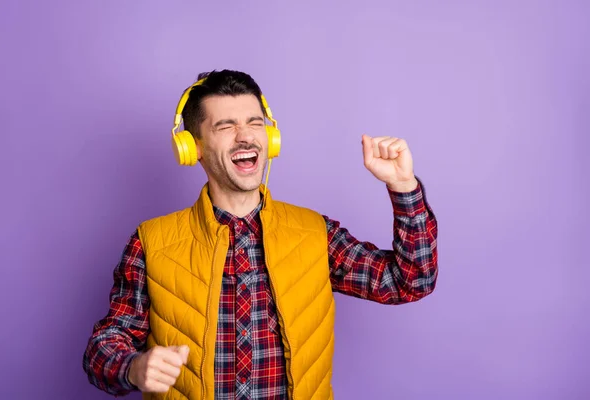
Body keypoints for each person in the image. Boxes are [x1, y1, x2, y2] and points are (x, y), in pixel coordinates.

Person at [82, 69, 438, 400]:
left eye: (255, 122)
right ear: (193, 148)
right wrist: (133, 367)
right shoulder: (152, 242)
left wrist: (403, 187)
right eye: (225, 125)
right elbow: (103, 347)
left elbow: (409, 281)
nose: (246, 135)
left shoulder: (315, 233)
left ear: (271, 137)